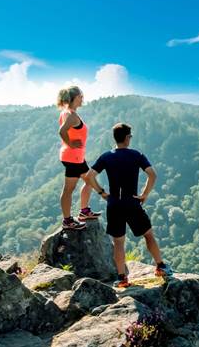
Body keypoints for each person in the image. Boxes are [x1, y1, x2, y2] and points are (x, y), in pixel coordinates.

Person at [84, 122, 174, 287]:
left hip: (114, 205)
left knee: (119, 242)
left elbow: (89, 176)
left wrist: (102, 193)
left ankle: (121, 278)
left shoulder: (106, 156)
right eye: (130, 136)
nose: (131, 138)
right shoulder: (136, 154)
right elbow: (152, 175)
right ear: (126, 138)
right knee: (148, 235)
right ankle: (161, 266)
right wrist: (144, 194)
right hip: (132, 202)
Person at [57, 85, 101, 230]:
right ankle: (68, 221)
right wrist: (70, 143)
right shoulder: (71, 115)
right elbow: (62, 131)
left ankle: (84, 211)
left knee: (89, 181)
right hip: (72, 158)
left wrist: (70, 143)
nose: (83, 99)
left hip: (75, 157)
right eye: (81, 96)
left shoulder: (67, 112)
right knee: (69, 189)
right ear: (75, 98)